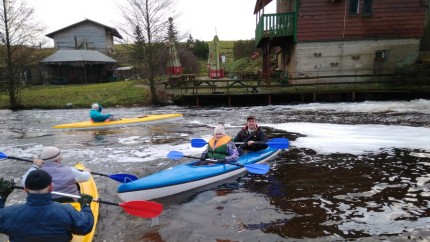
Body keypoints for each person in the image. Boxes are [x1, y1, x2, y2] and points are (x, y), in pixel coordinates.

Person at [0, 169, 94, 241]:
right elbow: (85, 227)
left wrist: (2, 196)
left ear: (25, 189)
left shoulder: (9, 214)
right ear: (51, 188)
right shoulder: (66, 210)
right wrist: (85, 206)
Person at [21, 146, 91, 202]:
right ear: (57, 160)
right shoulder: (70, 170)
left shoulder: (37, 174)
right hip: (71, 202)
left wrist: (34, 166)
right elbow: (85, 177)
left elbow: (23, 183)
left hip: (48, 203)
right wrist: (86, 171)